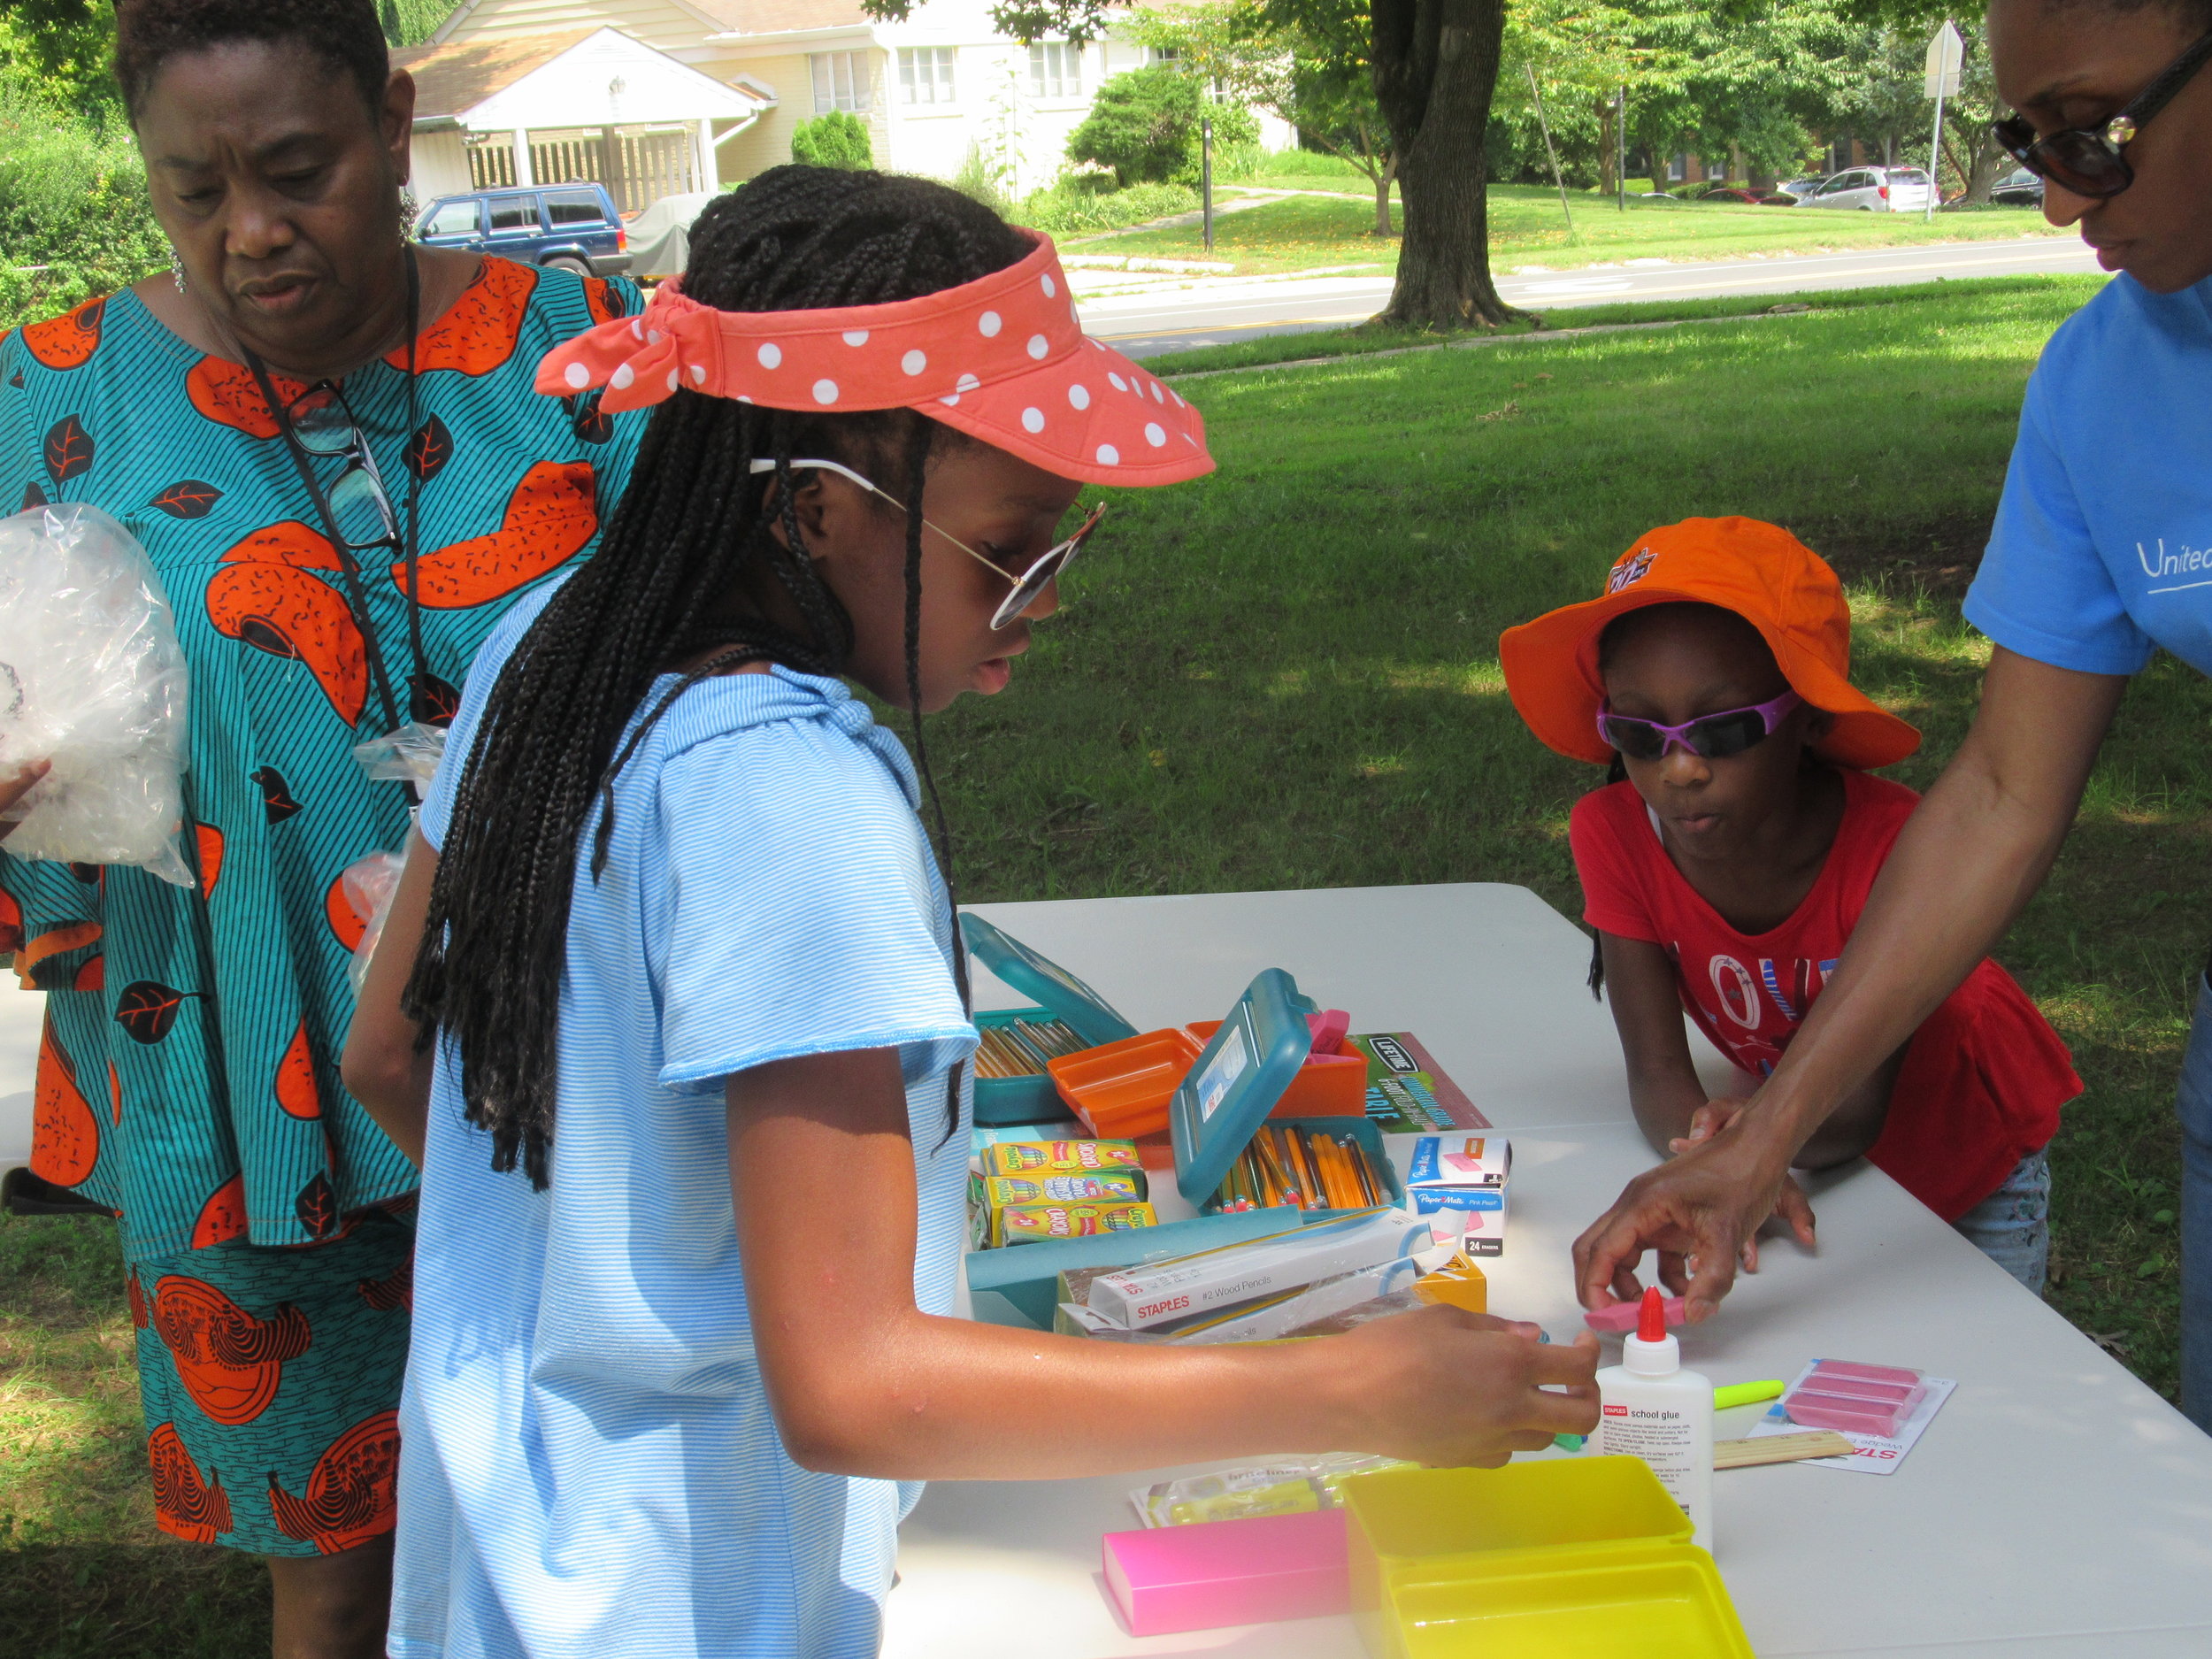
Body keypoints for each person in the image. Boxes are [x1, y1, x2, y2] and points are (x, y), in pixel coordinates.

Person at [340, 165, 1601, 1659]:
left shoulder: (550, 648)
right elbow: (858, 1388)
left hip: (507, 1565)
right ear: (819, 511)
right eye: (1013, 547)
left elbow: (387, 1056)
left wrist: (615, 1273)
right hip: (683, 1604)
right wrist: (1354, 1388)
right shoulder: (796, 797)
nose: (1047, 596)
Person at [0, 2, 643, 1651]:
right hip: (235, 1059)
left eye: (298, 171)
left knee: (607, 1495)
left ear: (395, 116)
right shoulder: (51, 393)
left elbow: (720, 646)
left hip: (560, 1024)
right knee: (334, 1557)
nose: (252, 234)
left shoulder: (573, 342)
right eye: (193, 191)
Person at [1566, 0, 2212, 1425]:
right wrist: (1754, 1147)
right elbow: (1998, 793)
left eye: (2098, 134)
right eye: (2029, 144)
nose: (2058, 200)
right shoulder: (2103, 382)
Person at [1500, 519, 2081, 1302]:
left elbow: (1852, 1116)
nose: (1680, 768)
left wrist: (1749, 1160)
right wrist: (1712, 1157)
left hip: (1965, 1161)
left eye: (1726, 729)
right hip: (1800, 1157)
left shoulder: (1896, 851)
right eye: (1638, 731)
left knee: (1978, 1366)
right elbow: (1658, 1071)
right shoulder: (1614, 832)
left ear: (1807, 719)